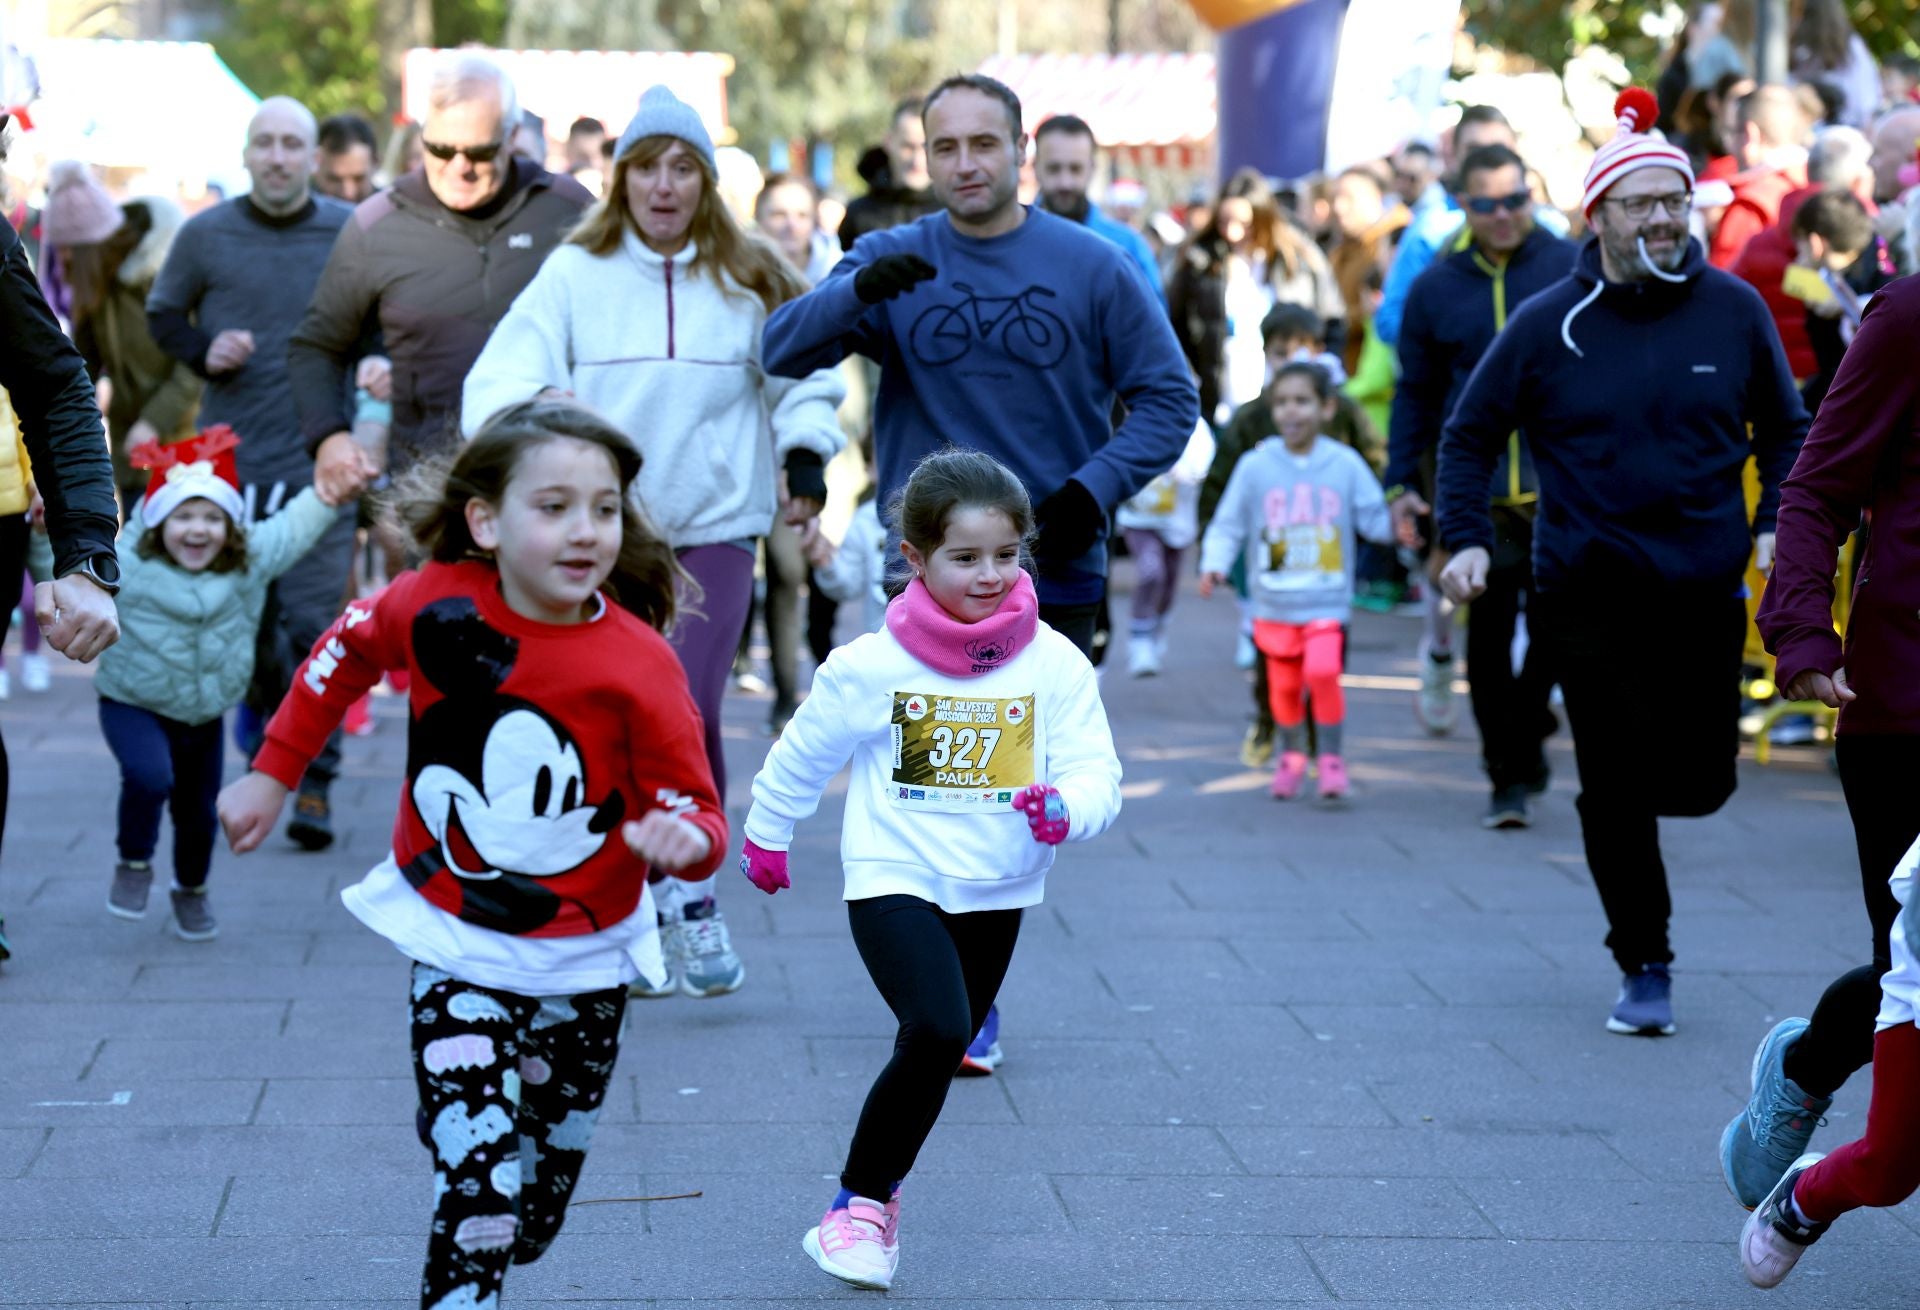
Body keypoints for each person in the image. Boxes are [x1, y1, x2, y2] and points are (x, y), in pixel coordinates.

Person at [216, 398, 728, 1309]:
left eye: (604, 509)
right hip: (456, 940)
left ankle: (481, 1131)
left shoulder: (638, 662)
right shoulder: (435, 600)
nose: (586, 531)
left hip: (587, 957)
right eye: (556, 506)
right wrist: (273, 770)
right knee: (481, 1188)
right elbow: (343, 650)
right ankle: (464, 1125)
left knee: (535, 1210)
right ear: (486, 521)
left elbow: (696, 803)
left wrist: (685, 842)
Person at [762, 73, 1193, 1075]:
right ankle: (948, 997)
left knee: (1008, 781)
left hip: (1057, 565)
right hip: (923, 578)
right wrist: (851, 293)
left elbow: (1169, 397)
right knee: (932, 775)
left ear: (1019, 149)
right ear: (925, 155)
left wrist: (1093, 490)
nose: (965, 163)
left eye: (983, 144)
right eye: (945, 146)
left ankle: (971, 990)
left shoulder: (1090, 265)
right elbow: (780, 351)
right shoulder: (895, 256)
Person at [1435, 89, 1808, 1037]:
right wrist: (1467, 536)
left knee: (1701, 781)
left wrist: (1779, 527)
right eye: (1639, 203)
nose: (1661, 220)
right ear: (1595, 217)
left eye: (1673, 202)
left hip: (1703, 586)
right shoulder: (1548, 321)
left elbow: (1786, 429)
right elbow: (1469, 435)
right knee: (1613, 780)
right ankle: (1645, 958)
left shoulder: (1733, 310)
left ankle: (1649, 815)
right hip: (1585, 589)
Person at [462, 86, 846, 999]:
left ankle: (694, 901)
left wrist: (804, 462)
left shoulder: (751, 273)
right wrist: (530, 431)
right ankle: (627, 904)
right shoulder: (575, 273)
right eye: (648, 168)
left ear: (707, 181)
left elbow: (808, 381)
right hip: (606, 537)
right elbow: (501, 379)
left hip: (714, 530)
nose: (664, 186)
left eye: (684, 167)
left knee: (687, 706)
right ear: (621, 178)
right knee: (603, 716)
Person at [736, 448, 1121, 1291]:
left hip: (999, 886)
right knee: (941, 1029)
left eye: (1006, 555)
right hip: (893, 876)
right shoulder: (874, 665)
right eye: (965, 557)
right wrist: (768, 832)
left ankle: (880, 1192)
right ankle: (857, 1208)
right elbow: (803, 753)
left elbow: (1100, 773)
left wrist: (1068, 808)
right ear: (915, 559)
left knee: (939, 1050)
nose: (990, 575)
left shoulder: (1052, 661)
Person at [1717, 271, 1920, 1232]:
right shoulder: (1911, 314)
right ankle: (1804, 1070)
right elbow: (1821, 482)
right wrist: (1799, 628)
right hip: (1905, 705)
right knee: (1913, 970)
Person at [146, 96, 359, 849]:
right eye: (264, 143)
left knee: (313, 625)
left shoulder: (346, 230)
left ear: (312, 157)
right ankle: (267, 751)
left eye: (290, 144)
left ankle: (316, 786)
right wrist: (204, 350)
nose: (276, 156)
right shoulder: (206, 233)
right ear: (246, 153)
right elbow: (162, 316)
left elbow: (375, 319)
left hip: (320, 461)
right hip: (230, 465)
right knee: (253, 630)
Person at [97, 428, 366, 939]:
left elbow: (289, 530)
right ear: (158, 522)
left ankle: (191, 892)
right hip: (131, 700)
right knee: (151, 776)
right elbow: (75, 573)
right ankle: (133, 862)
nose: (197, 530)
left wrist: (328, 494)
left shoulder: (247, 561)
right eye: (183, 516)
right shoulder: (129, 563)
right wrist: (46, 537)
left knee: (199, 813)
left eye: (210, 518)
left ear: (229, 525)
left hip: (202, 713)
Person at [289, 53, 592, 492]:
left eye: (479, 152)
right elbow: (315, 345)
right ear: (422, 136)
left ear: (511, 137)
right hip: (433, 490)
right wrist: (329, 438)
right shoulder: (377, 224)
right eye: (441, 149)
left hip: (553, 478)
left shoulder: (565, 207)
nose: (458, 168)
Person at [1385, 143, 1577, 828]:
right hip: (1477, 494)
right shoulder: (1438, 285)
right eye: (1486, 204)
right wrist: (1400, 479)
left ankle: (1527, 730)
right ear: (1462, 205)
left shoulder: (1569, 263)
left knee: (1559, 632)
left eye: (1515, 200)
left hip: (1565, 489)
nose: (1503, 216)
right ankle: (1508, 775)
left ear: (1532, 193)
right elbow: (1416, 390)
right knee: (1489, 641)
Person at [1198, 362, 1391, 801]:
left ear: (1326, 408)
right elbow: (1228, 524)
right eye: (1282, 402)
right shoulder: (1255, 466)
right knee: (1283, 688)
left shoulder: (1344, 464)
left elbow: (1373, 515)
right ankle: (1291, 756)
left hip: (1326, 600)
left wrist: (1397, 527)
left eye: (1302, 401)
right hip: (1273, 603)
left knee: (1323, 672)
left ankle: (1331, 759)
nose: (1291, 412)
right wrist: (1214, 563)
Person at [41, 162, 200, 509]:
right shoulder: (97, 287)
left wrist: (154, 422)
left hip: (184, 453)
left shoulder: (161, 277)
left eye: (69, 251)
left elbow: (195, 364)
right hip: (132, 459)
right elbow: (80, 366)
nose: (62, 261)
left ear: (91, 246)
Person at [1376, 104, 1572, 348]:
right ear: (1453, 156)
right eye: (1474, 149)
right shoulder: (1430, 230)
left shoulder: (1550, 230)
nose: (1487, 159)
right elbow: (1392, 320)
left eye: (1498, 148)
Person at [1729, 124, 1875, 380]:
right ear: (1857, 182)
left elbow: (1728, 302)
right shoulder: (1869, 238)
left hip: (1774, 380)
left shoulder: (1758, 244)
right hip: (1842, 381)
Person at [1114, 418, 1212, 676]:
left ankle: (1155, 627)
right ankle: (1140, 640)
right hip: (1140, 517)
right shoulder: (1136, 415)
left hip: (1176, 519)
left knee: (1168, 584)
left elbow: (1203, 463)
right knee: (1151, 571)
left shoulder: (1194, 425)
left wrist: (1186, 471)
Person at [1031, 114, 1164, 303]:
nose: (1065, 183)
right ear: (1035, 167)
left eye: (1075, 169)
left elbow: (1152, 324)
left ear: (1092, 168)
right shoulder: (1009, 243)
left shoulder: (1127, 246)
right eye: (1054, 168)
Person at [1710, 84, 1814, 268]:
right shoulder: (1815, 184)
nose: (1728, 144)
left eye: (1731, 131)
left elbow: (1724, 283)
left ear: (1751, 135)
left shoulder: (1751, 204)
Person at [1327, 166, 1408, 375]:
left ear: (1376, 198)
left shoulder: (1397, 243)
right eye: (1335, 198)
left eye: (1348, 198)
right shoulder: (1341, 251)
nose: (1338, 207)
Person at [839, 98, 937, 252]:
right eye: (908, 147)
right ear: (889, 141)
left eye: (925, 147)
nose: (917, 160)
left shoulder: (956, 210)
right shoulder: (859, 213)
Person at [1790, 0, 1881, 129]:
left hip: (1827, 126)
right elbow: (1867, 101)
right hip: (1847, 127)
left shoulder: (1794, 47)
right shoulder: (1852, 47)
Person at [314, 114, 378, 204]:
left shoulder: (394, 212)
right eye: (335, 179)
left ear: (376, 164)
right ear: (314, 166)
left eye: (358, 179)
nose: (348, 193)